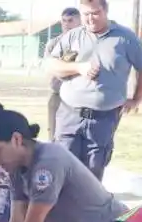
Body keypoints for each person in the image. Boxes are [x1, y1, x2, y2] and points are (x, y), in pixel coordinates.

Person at [44, 0, 142, 180]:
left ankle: (87, 208)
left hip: (103, 119)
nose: (90, 19)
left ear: (105, 11)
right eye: (86, 14)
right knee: (61, 170)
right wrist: (79, 68)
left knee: (92, 175)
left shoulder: (125, 37)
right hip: (69, 115)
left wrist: (136, 99)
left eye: (95, 13)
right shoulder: (73, 36)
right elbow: (52, 64)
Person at [46, 7, 82, 139]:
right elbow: (52, 71)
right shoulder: (53, 44)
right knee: (54, 137)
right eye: (64, 21)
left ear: (80, 21)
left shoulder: (86, 42)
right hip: (57, 95)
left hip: (78, 97)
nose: (66, 24)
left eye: (71, 20)